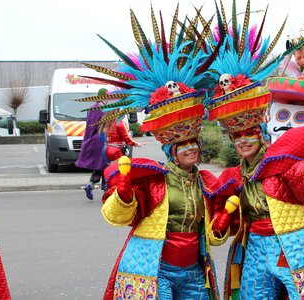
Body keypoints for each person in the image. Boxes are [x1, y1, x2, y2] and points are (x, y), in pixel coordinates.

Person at [205, 1, 304, 298]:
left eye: (249, 136)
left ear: (260, 133)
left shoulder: (282, 161)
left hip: (294, 243)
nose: (244, 142)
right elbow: (219, 218)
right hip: (254, 250)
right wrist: (222, 224)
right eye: (238, 139)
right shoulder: (235, 176)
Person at [84, 5, 225, 299]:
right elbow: (119, 215)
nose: (190, 149)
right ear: (170, 151)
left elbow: (212, 235)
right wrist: (123, 195)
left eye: (194, 144)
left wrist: (221, 226)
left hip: (195, 272)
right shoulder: (153, 179)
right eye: (182, 145)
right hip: (155, 269)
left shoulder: (207, 183)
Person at [75, 89, 109, 200]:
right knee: (105, 166)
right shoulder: (102, 108)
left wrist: (88, 139)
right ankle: (106, 191)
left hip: (94, 139)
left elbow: (90, 126)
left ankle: (90, 185)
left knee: (99, 167)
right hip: (100, 140)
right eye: (107, 96)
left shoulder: (92, 107)